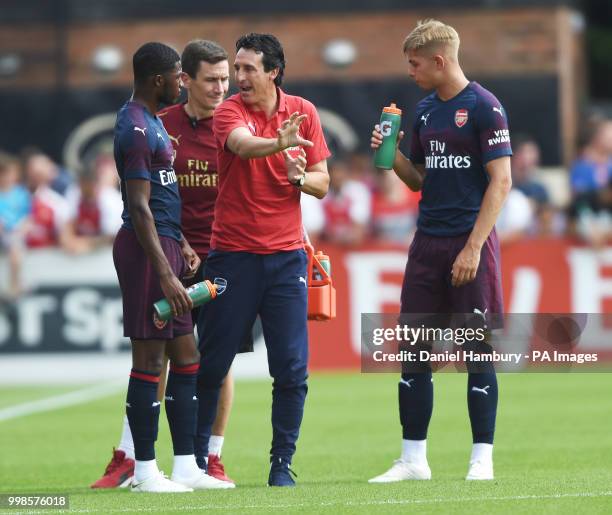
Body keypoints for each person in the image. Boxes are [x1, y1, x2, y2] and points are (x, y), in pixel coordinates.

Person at [91, 39, 240, 489]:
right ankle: (143, 470)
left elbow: (161, 198)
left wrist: (181, 247)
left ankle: (187, 466)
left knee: (188, 354)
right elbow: (138, 207)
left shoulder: (151, 123)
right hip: (145, 253)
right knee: (150, 358)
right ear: (158, 79)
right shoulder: (135, 128)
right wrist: (165, 270)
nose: (181, 82)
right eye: (178, 75)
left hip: (170, 245)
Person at [367, 19, 512, 483]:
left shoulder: (485, 107)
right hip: (426, 242)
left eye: (414, 63)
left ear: (439, 60)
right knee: (414, 351)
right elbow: (419, 182)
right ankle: (413, 460)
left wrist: (472, 247)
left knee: (477, 352)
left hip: (470, 241)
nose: (409, 72)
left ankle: (481, 461)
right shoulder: (426, 110)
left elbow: (501, 181)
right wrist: (392, 156)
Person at [196, 33, 330, 487]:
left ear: (274, 71)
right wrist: (278, 145)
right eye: (238, 68)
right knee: (212, 362)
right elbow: (241, 146)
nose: (239, 77)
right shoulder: (230, 111)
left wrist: (301, 180)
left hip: (286, 258)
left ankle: (281, 463)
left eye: (249, 68)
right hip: (232, 258)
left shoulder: (305, 111)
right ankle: (195, 459)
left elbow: (323, 181)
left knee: (292, 368)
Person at [0, 151, 31, 298]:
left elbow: (28, 218)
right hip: (4, 232)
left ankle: (15, 284)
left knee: (15, 251)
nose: (5, 177)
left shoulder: (22, 194)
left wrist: (20, 229)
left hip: (14, 234)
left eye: (7, 173)